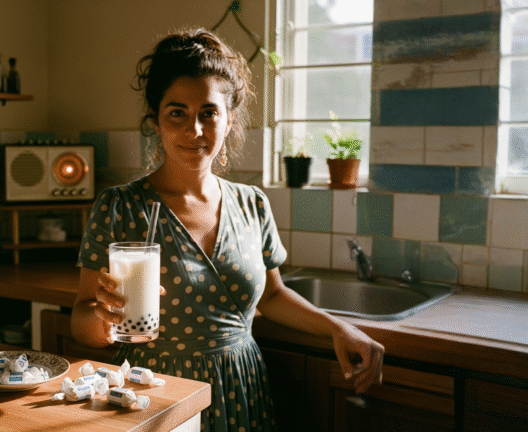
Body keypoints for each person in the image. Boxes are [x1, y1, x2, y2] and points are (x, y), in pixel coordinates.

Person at [71, 27, 384, 432]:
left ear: (229, 119)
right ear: (156, 121)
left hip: (242, 389)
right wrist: (103, 319)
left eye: (208, 113)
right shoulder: (119, 207)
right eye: (177, 113)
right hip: (155, 395)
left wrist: (338, 329)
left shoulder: (252, 203)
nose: (195, 130)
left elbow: (273, 295)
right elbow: (81, 319)